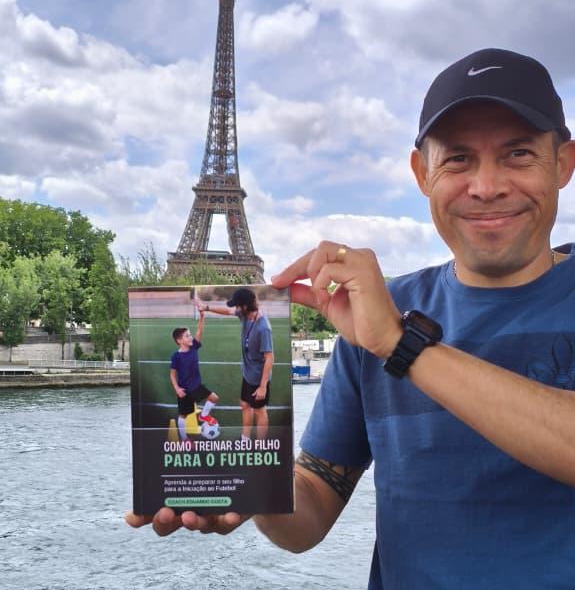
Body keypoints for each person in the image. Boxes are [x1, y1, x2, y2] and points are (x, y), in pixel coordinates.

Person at [127, 48, 575, 588]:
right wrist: (253, 485)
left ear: (564, 164)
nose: (486, 186)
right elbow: (313, 506)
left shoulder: (384, 327)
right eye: (457, 158)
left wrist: (402, 346)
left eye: (518, 154)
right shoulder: (374, 319)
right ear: (422, 173)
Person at [199, 287, 274, 440]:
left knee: (260, 411)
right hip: (248, 373)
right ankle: (245, 440)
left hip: (258, 378)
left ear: (245, 306)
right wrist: (206, 307)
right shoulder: (246, 315)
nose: (235, 308)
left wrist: (262, 387)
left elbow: (270, 357)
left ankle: (261, 447)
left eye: (237, 305)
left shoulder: (263, 327)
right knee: (245, 404)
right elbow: (227, 311)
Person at [170, 309, 219, 440]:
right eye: (187, 336)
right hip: (184, 391)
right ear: (179, 341)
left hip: (196, 386)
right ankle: (185, 439)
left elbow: (199, 332)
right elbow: (173, 374)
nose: (190, 337)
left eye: (189, 335)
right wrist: (177, 389)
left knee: (214, 398)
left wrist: (202, 317)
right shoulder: (176, 356)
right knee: (183, 416)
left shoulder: (193, 347)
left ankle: (203, 415)